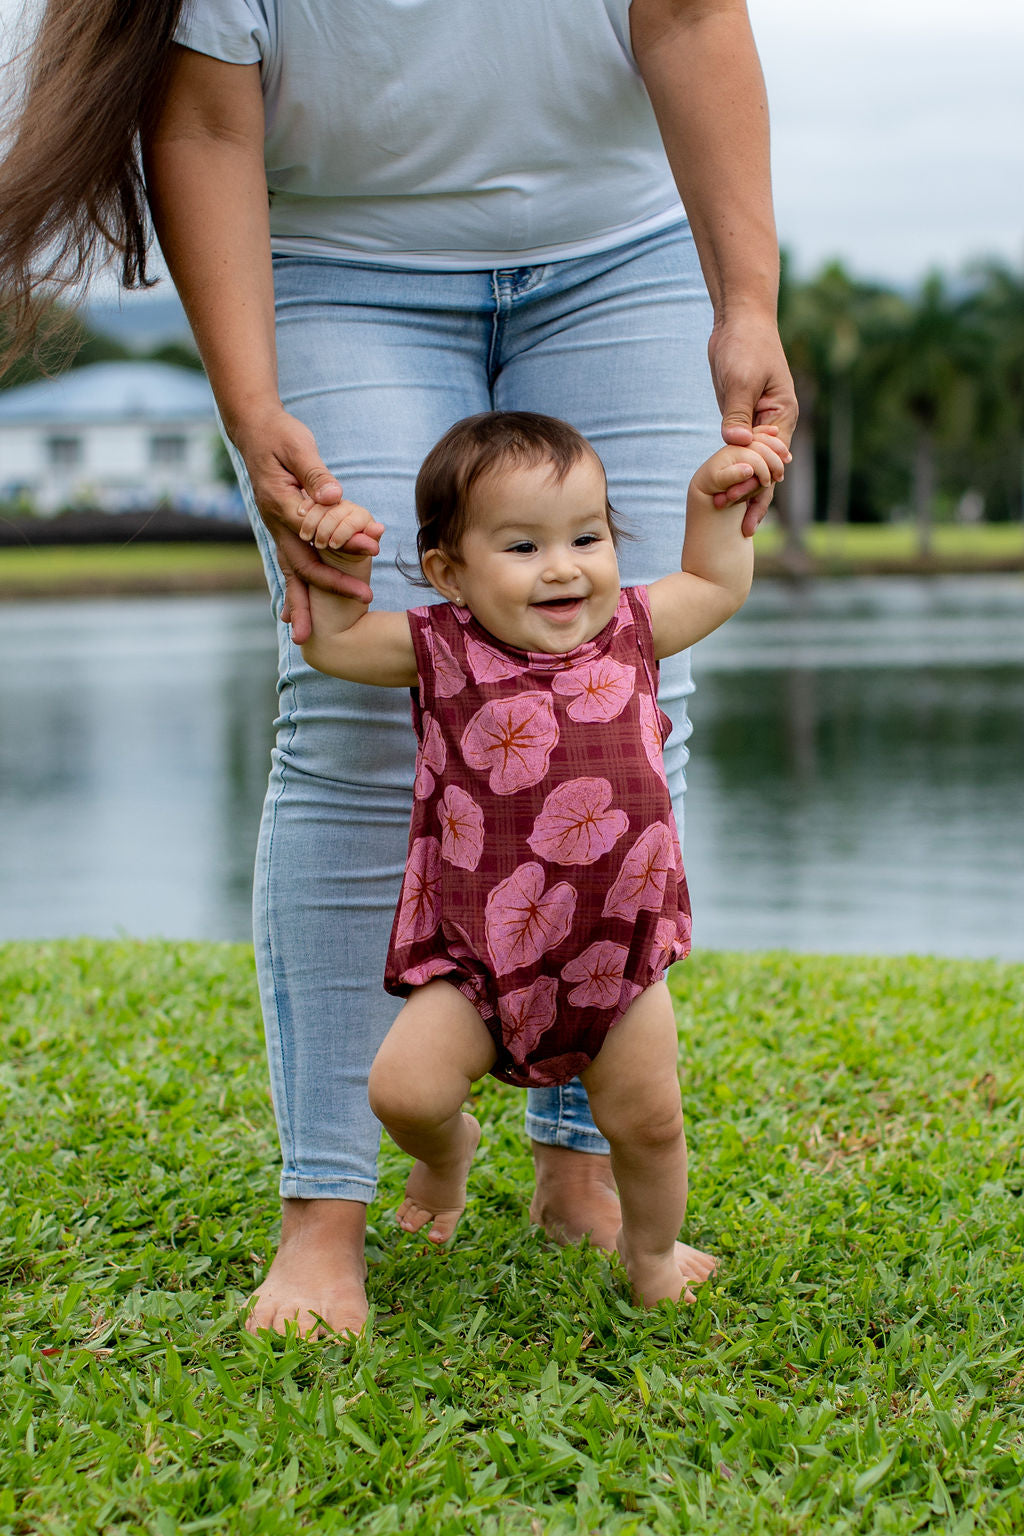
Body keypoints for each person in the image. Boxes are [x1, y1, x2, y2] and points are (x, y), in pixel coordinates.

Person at [0, 0, 797, 1336]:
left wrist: (749, 304)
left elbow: (687, 12)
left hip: (623, 245)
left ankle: (580, 1159)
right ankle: (325, 1213)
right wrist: (255, 414)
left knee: (633, 686)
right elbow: (197, 112)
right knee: (348, 718)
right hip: (332, 260)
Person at [298, 410, 787, 1306]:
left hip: (617, 959)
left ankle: (652, 1257)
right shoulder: (440, 649)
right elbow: (331, 643)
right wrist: (341, 575)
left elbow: (717, 584)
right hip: (480, 958)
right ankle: (449, 1158)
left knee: (649, 1120)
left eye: (587, 537)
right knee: (403, 1093)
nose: (564, 566)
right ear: (450, 572)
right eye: (522, 546)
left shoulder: (634, 629)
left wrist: (710, 503)